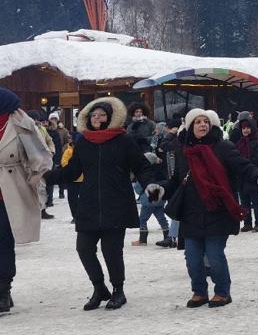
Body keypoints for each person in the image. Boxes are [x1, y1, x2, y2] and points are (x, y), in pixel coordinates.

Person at [46, 97, 157, 311]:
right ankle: (99, 288)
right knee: (84, 248)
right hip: (89, 203)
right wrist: (48, 176)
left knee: (111, 250)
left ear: (110, 117)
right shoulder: (84, 141)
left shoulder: (123, 140)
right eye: (94, 115)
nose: (97, 118)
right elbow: (73, 170)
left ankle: (118, 290)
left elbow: (141, 165)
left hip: (116, 202)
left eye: (102, 115)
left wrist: (150, 184)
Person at [158, 108, 258, 308]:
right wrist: (159, 190)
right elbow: (177, 180)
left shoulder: (223, 147)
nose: (203, 125)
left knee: (214, 255)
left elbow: (244, 166)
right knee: (193, 258)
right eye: (198, 122)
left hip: (218, 211)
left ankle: (222, 292)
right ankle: (199, 292)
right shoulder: (183, 151)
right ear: (190, 126)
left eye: (206, 121)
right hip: (191, 213)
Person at [0, 88, 53, 313]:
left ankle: (3, 290)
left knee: (3, 243)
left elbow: (40, 156)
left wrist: (34, 184)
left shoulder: (21, 122)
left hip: (10, 191)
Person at [235, 118, 258, 232]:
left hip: (253, 175)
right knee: (244, 202)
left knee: (256, 201)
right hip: (242, 177)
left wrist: (245, 164)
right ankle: (247, 223)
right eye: (243, 128)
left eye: (247, 127)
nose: (245, 130)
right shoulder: (240, 142)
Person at [132, 145, 171, 246]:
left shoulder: (145, 173)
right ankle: (168, 236)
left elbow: (138, 187)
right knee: (162, 218)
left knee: (143, 219)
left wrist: (140, 193)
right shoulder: (161, 172)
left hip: (148, 200)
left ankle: (143, 239)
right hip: (160, 200)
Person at [154, 119, 181, 248]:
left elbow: (164, 146)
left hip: (183, 181)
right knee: (175, 208)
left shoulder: (179, 143)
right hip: (174, 179)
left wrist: (171, 134)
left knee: (177, 208)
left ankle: (172, 236)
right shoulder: (174, 143)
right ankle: (172, 236)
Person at [61, 138, 83, 224]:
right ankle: (75, 216)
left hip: (83, 179)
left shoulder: (84, 151)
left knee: (84, 199)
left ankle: (83, 216)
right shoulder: (68, 151)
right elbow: (64, 162)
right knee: (72, 199)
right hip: (71, 179)